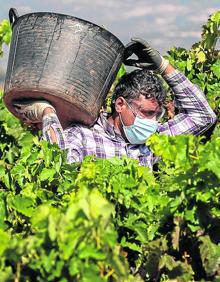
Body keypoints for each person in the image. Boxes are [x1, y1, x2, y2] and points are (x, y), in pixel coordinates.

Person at [14, 38, 217, 170]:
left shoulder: (153, 143)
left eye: (157, 115)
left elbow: (203, 116)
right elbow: (59, 165)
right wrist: (48, 113)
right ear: (120, 105)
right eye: (146, 113)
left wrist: (164, 67)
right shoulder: (84, 136)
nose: (153, 122)